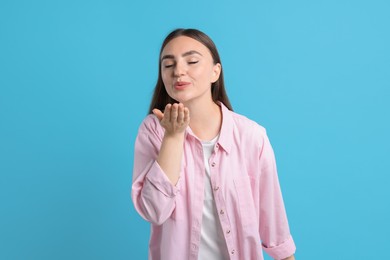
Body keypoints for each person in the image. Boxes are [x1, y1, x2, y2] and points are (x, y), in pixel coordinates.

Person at [131, 28, 296, 260]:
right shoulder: (153, 131)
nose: (179, 71)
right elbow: (154, 211)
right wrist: (173, 137)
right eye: (168, 65)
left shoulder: (251, 136)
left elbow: (274, 222)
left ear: (215, 72)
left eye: (192, 61)